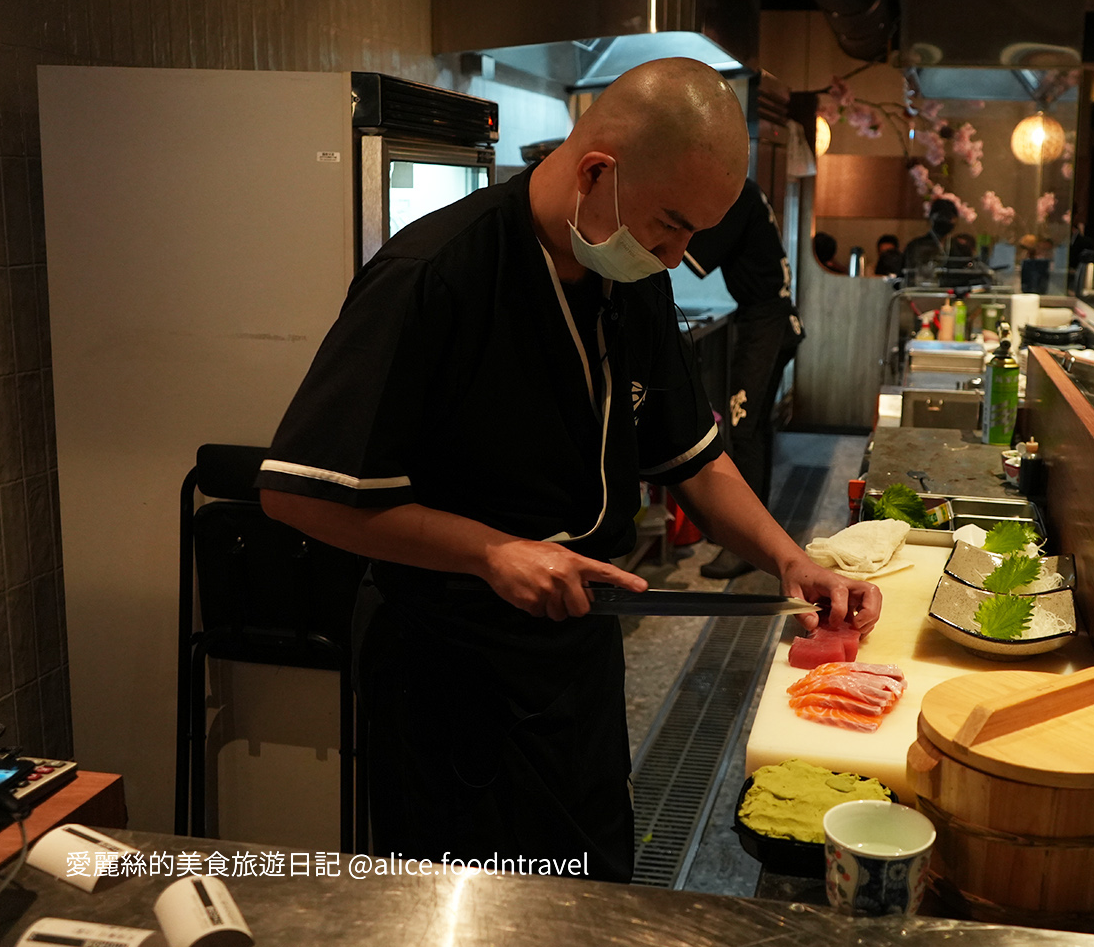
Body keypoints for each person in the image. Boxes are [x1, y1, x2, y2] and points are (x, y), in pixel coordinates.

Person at [254, 58, 882, 881]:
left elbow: (695, 460)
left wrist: (790, 559)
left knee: (591, 878)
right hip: (449, 670)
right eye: (669, 226)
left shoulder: (631, 273)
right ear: (596, 172)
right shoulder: (436, 274)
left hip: (575, 647)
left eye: (693, 232)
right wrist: (491, 551)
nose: (675, 253)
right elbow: (300, 495)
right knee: (476, 910)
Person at [682, 180, 805, 579]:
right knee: (755, 430)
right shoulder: (743, 189)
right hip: (769, 317)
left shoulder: (735, 193)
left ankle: (746, 547)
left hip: (767, 320)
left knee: (742, 428)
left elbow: (692, 260)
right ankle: (758, 535)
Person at [903, 198, 957, 286]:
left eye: (949, 217)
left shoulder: (960, 248)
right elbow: (908, 274)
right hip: (921, 293)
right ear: (931, 218)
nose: (945, 221)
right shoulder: (916, 246)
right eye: (941, 217)